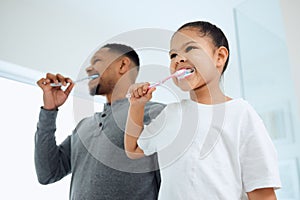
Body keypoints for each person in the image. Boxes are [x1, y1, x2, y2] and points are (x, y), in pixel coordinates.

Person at [125, 21, 281, 200]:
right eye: (173, 55)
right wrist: (136, 106)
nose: (178, 59)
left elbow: (262, 192)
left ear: (219, 57)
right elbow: (134, 149)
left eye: (190, 49)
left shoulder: (240, 114)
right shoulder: (171, 114)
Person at [35, 43, 165, 200]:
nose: (89, 69)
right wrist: (49, 110)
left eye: (97, 61)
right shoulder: (84, 126)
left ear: (123, 65)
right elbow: (47, 173)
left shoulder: (155, 113)